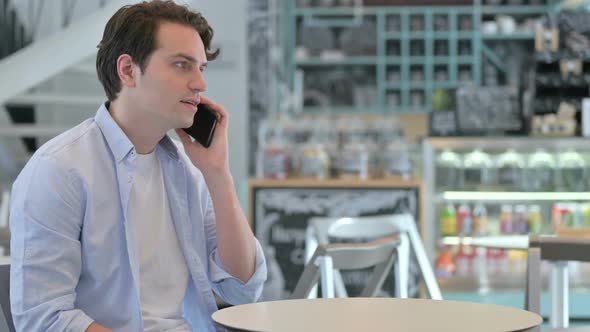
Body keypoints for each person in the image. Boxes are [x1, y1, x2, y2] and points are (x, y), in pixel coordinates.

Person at [9, 1, 267, 331]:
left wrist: (218, 175)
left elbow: (242, 288)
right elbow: (43, 318)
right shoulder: (59, 170)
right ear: (128, 70)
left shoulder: (188, 169)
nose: (200, 84)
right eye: (181, 65)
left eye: (201, 68)